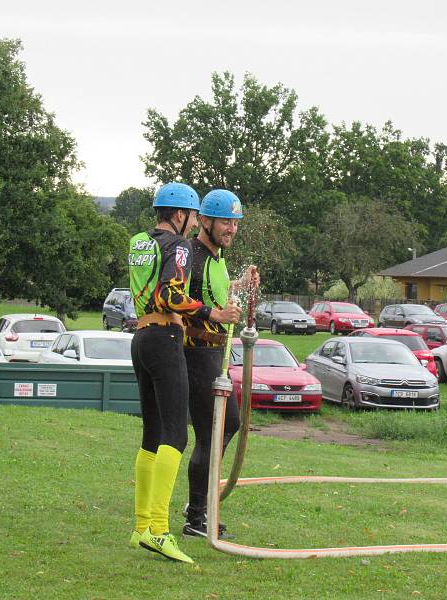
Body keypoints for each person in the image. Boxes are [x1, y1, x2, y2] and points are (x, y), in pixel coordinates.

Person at [127, 183, 241, 563]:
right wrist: (213, 315)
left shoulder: (140, 240)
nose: (193, 225)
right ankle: (159, 529)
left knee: (151, 436)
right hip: (164, 338)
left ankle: (142, 525)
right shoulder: (177, 246)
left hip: (141, 337)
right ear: (181, 214)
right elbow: (170, 295)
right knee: (174, 438)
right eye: (193, 217)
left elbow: (150, 292)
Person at [182, 189, 259, 539]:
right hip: (196, 353)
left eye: (235, 222)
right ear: (204, 221)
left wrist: (242, 283)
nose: (231, 228)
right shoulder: (192, 256)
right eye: (226, 221)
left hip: (215, 355)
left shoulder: (215, 257)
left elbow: (216, 291)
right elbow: (179, 301)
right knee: (212, 432)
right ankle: (196, 516)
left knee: (226, 425)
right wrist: (216, 315)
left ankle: (198, 504)